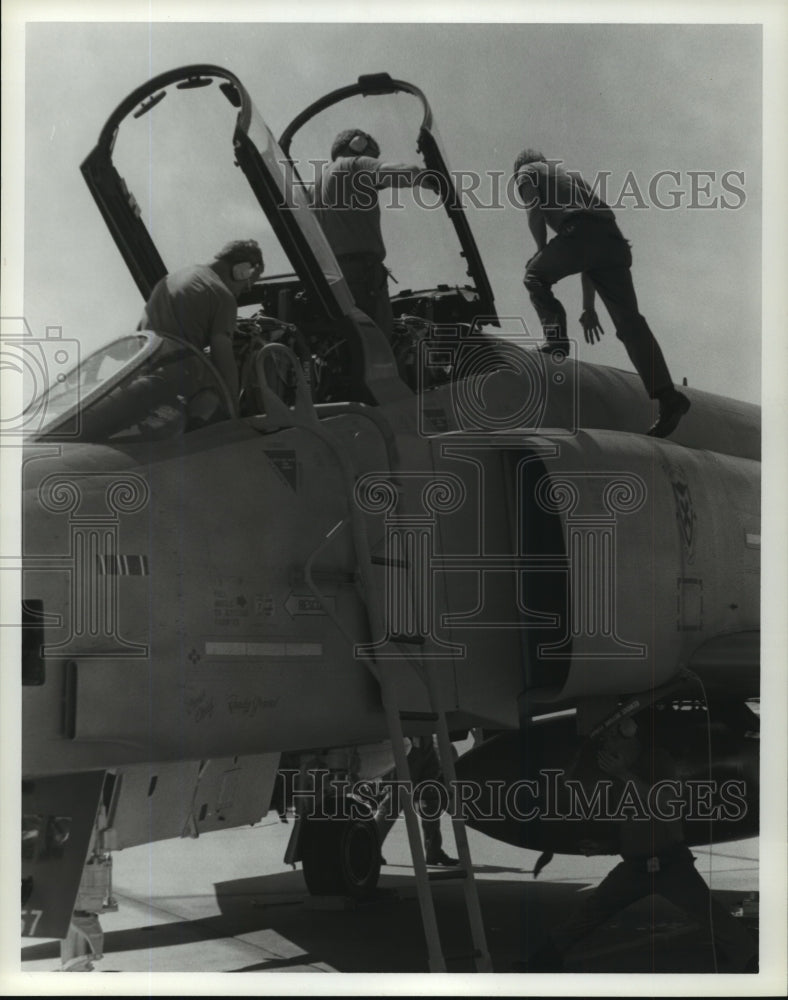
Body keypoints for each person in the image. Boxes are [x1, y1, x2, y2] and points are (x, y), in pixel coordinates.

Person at [520, 718, 757, 973]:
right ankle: (543, 961)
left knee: (714, 917)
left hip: (671, 865)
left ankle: (753, 964)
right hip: (634, 868)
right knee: (588, 913)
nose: (606, 745)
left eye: (610, 738)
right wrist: (606, 846)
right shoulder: (617, 774)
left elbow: (667, 804)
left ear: (628, 736)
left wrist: (623, 774)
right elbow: (632, 824)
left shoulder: (657, 761)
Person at [514, 150, 690, 438]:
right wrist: (588, 308)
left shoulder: (526, 172)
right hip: (612, 241)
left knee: (534, 276)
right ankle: (668, 397)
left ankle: (556, 341)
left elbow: (534, 209)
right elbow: (591, 253)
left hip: (580, 234)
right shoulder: (571, 177)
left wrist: (540, 250)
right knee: (630, 324)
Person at [312, 130, 439, 337]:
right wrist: (432, 178)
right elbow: (405, 173)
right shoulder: (354, 164)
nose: (373, 160)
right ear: (358, 144)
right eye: (373, 155)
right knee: (380, 341)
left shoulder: (314, 187)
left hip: (330, 278)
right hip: (362, 276)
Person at [138, 239, 264, 404]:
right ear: (242, 271)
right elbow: (223, 357)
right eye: (246, 286)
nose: (241, 293)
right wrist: (233, 403)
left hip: (143, 370)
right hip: (173, 377)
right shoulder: (222, 295)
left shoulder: (172, 279)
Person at [375, 735, 459, 867]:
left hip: (424, 739)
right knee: (396, 799)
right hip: (407, 738)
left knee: (430, 798)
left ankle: (434, 851)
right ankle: (371, 848)